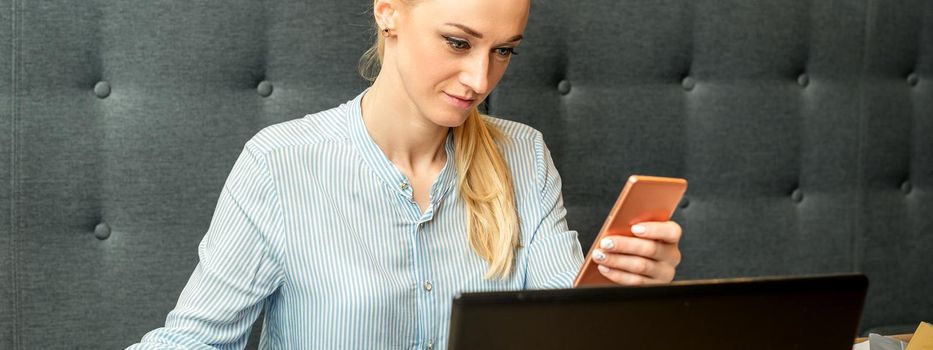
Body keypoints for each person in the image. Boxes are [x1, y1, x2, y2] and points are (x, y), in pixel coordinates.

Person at [127, 0, 682, 348]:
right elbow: (193, 341)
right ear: (388, 10)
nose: (479, 78)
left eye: (504, 51)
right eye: (459, 42)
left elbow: (570, 329)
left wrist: (630, 292)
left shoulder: (524, 156)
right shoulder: (280, 164)